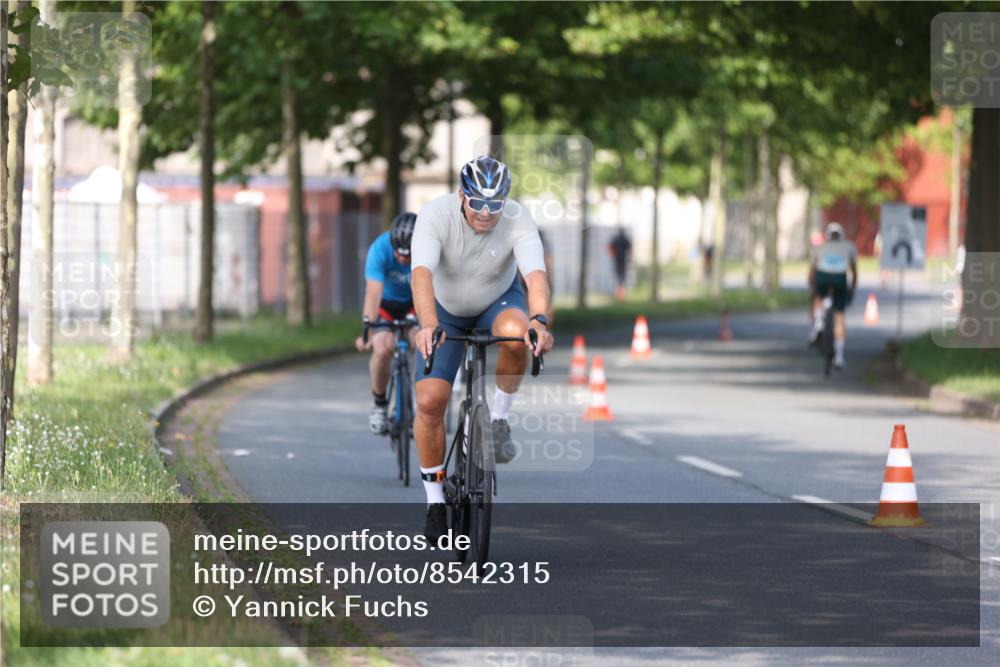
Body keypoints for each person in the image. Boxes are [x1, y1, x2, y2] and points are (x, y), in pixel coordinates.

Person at [410, 155, 554, 540]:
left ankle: (497, 421)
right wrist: (427, 325)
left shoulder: (518, 218)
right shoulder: (435, 215)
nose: (486, 213)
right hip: (444, 309)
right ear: (462, 196)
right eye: (477, 203)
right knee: (429, 402)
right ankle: (435, 501)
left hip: (497, 301)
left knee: (516, 332)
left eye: (496, 204)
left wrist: (540, 320)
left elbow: (535, 276)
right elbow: (421, 274)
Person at [354, 212, 417, 434]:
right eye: (399, 254)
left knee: (424, 344)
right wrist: (367, 332)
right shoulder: (379, 249)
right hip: (385, 305)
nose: (402, 260)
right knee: (382, 348)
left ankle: (424, 402)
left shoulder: (429, 247)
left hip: (415, 303)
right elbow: (373, 293)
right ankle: (380, 405)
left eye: (408, 256)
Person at [808, 222, 858, 369]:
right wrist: (852, 289)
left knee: (818, 297)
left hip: (822, 277)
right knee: (839, 317)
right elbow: (854, 272)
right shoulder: (849, 246)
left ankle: (818, 322)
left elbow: (812, 271)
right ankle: (839, 357)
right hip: (840, 279)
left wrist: (813, 287)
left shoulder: (819, 247)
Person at [608, 228, 632, 300]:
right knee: (621, 279)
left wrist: (613, 255)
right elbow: (629, 251)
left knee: (619, 278)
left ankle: (620, 295)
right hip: (621, 261)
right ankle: (620, 295)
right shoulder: (624, 239)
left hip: (618, 261)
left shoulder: (616, 239)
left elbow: (610, 248)